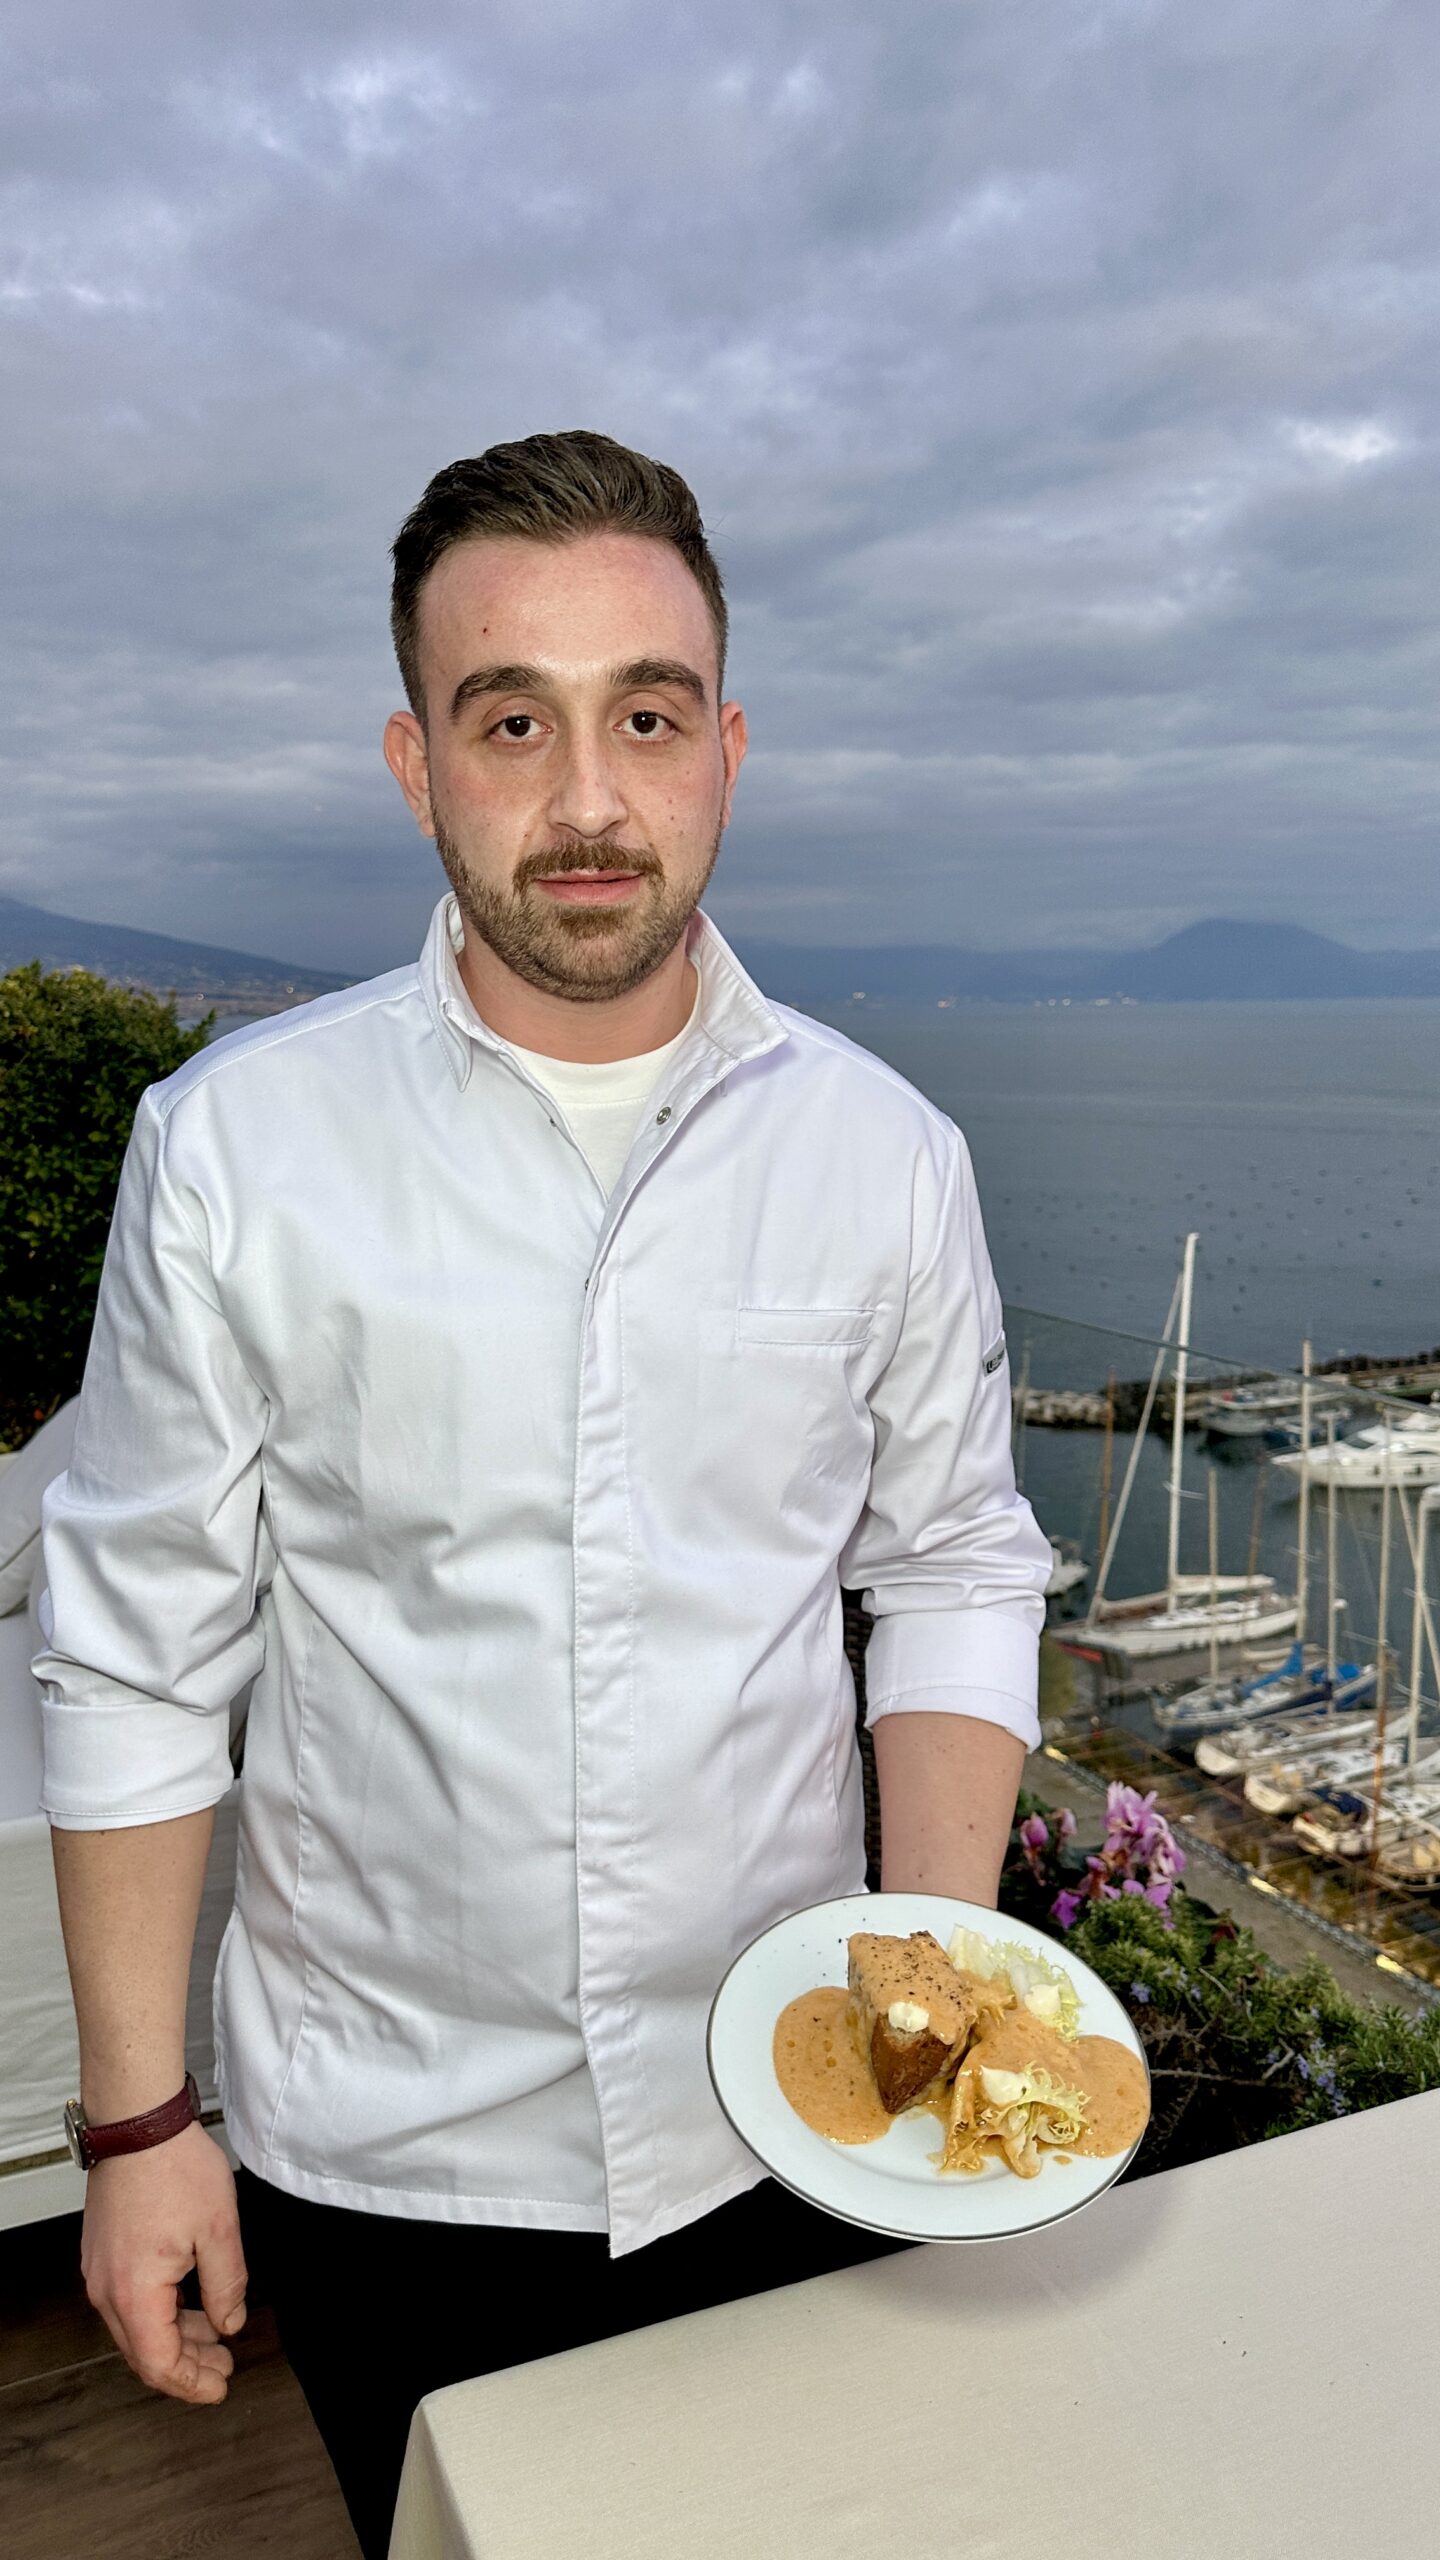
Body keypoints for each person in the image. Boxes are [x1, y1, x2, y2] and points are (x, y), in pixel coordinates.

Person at [38, 430, 1052, 2556]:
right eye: (516, 718)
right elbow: (136, 1653)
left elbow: (950, 1560)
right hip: (387, 2150)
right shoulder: (232, 1151)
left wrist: (935, 1998)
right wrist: (141, 2122)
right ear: (419, 763)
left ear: (727, 749)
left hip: (798, 2104)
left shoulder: (888, 1158)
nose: (588, 797)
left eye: (645, 715)